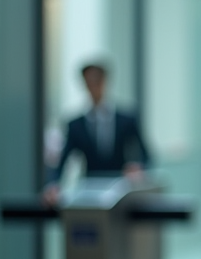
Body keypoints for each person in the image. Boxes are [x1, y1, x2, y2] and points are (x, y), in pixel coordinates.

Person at [44, 62, 152, 203]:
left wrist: (138, 168)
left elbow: (145, 154)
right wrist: (53, 185)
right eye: (89, 81)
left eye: (97, 80)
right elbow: (63, 161)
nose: (93, 86)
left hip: (121, 188)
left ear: (104, 81)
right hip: (90, 190)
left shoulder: (126, 120)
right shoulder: (76, 125)